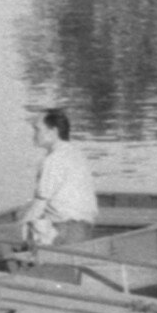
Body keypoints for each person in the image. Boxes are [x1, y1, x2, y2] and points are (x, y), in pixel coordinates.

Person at [19, 106, 99, 248]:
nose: (34, 134)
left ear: (53, 132)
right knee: (24, 214)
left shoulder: (53, 160)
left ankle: (12, 267)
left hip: (64, 230)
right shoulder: (75, 153)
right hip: (84, 228)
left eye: (37, 129)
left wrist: (20, 227)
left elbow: (39, 206)